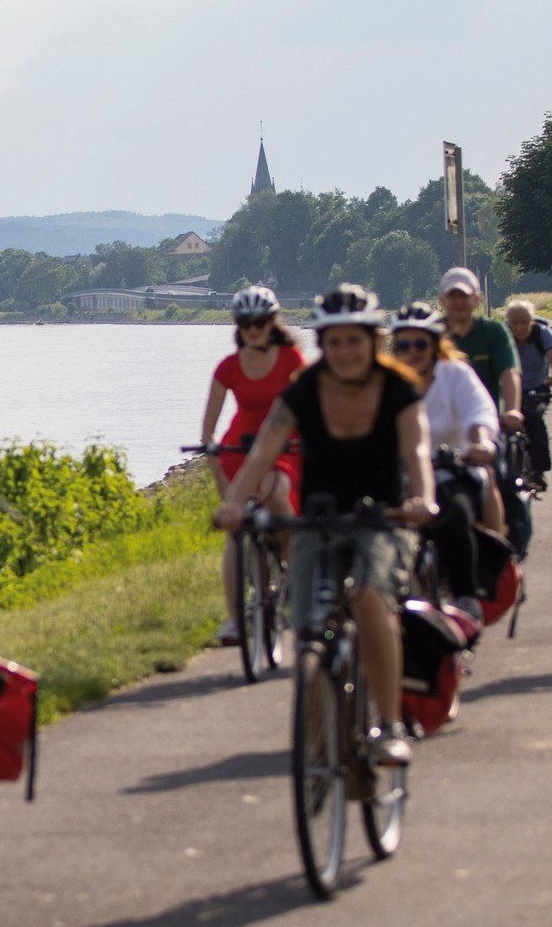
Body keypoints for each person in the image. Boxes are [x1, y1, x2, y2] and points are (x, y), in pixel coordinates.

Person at [214, 285, 435, 765]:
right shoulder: (305, 388)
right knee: (310, 626)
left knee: (371, 598)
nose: (344, 351)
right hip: (319, 515)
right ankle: (319, 747)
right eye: (334, 342)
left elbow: (417, 450)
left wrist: (423, 497)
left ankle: (390, 727)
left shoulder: (397, 387)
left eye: (354, 340)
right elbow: (265, 448)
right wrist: (234, 501)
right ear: (322, 345)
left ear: (373, 340)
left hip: (384, 515)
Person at [199, 285, 306, 645]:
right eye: (246, 322)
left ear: (272, 322)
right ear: (238, 325)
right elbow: (209, 431)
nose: (254, 328)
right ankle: (234, 619)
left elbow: (310, 406)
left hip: (285, 446)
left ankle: (294, 571)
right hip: (240, 447)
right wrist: (215, 465)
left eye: (260, 321)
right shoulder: (228, 367)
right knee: (236, 529)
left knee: (277, 497)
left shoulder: (292, 360)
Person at [388, 303, 504, 608]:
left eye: (419, 344)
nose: (411, 352)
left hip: (452, 468)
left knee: (455, 511)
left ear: (435, 345)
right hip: (400, 474)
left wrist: (480, 444)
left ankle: (467, 595)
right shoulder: (386, 382)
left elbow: (478, 412)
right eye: (402, 345)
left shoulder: (455, 374)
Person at [438, 268, 523, 437]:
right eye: (452, 296)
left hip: (486, 424)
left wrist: (512, 410)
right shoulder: (432, 334)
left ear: (477, 299)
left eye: (464, 296)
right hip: (440, 427)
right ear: (442, 300)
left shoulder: (493, 331)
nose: (458, 302)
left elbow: (509, 373)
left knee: (496, 460)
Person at [503, 296, 552, 489]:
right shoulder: (502, 335)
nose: (520, 328)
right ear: (508, 323)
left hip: (537, 389)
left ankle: (538, 470)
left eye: (524, 322)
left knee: (534, 420)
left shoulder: (542, 333)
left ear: (532, 321)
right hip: (509, 389)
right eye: (515, 323)